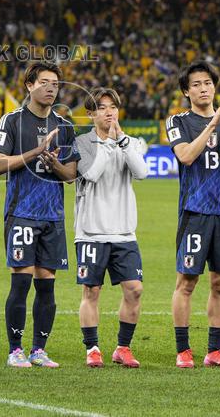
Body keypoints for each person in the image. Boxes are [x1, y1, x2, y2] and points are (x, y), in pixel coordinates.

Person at [0, 62, 79, 368]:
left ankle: (38, 349)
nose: (51, 87)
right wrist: (35, 151)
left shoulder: (65, 126)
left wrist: (53, 161)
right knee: (21, 282)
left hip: (52, 216)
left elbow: (70, 175)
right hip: (22, 213)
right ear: (29, 85)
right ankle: (15, 350)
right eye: (44, 82)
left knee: (47, 283)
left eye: (55, 83)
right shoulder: (13, 121)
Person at [166, 61, 220, 369]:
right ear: (186, 91)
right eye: (197, 84)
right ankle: (183, 350)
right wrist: (213, 125)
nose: (203, 88)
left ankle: (214, 351)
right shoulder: (178, 121)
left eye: (208, 83)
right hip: (194, 211)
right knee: (187, 281)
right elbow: (186, 156)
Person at [74, 88, 148, 368]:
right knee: (91, 291)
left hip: (124, 232)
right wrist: (107, 143)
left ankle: (123, 348)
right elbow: (91, 174)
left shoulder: (130, 142)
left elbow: (141, 173)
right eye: (102, 108)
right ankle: (92, 348)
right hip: (91, 232)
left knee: (135, 289)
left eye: (113, 107)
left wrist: (123, 142)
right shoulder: (83, 143)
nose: (109, 112)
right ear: (91, 114)